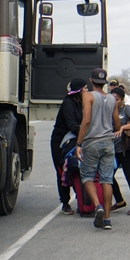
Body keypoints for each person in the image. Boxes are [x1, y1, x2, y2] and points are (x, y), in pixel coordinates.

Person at [74, 68, 121, 230]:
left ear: (91, 81)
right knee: (106, 180)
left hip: (91, 142)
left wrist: (78, 143)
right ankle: (107, 218)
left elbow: (86, 120)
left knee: (87, 175)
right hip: (108, 142)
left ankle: (97, 205)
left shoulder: (88, 96)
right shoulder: (112, 99)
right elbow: (117, 124)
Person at [50, 78, 87, 215]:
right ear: (78, 91)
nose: (87, 91)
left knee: (78, 169)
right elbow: (72, 125)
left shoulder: (82, 102)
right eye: (85, 89)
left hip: (76, 139)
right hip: (61, 141)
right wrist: (86, 134)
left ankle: (82, 200)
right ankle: (65, 202)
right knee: (62, 170)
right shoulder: (68, 103)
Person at [110, 87, 130, 215]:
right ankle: (119, 201)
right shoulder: (108, 110)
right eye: (112, 99)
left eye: (117, 100)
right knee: (108, 175)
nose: (114, 102)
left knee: (129, 175)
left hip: (127, 149)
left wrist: (123, 127)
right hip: (113, 148)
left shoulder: (126, 109)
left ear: (122, 99)